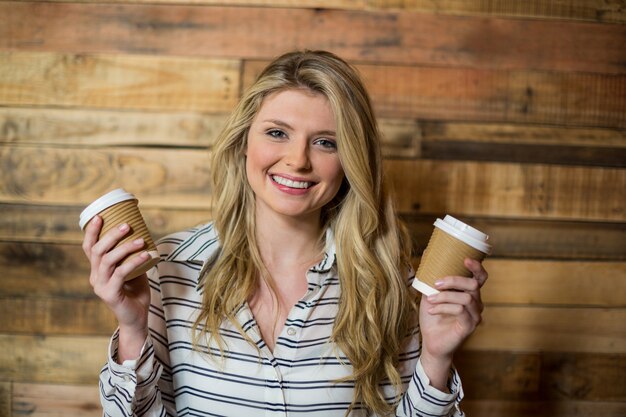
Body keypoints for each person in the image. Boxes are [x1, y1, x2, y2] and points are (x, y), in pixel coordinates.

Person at [82, 50, 488, 417]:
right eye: (277, 133)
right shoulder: (169, 269)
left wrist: (436, 358)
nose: (297, 161)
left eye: (326, 142)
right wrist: (132, 331)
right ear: (244, 141)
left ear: (350, 163)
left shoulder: (384, 281)